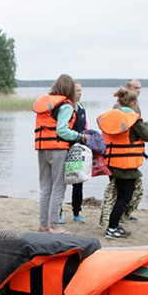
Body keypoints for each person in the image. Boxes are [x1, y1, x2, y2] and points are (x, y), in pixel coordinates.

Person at [33, 74, 88, 233]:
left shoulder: (47, 104)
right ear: (69, 89)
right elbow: (62, 131)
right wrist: (80, 136)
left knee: (45, 188)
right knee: (58, 188)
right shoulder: (65, 106)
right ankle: (54, 226)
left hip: (42, 148)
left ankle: (44, 224)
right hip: (57, 149)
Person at [97, 87, 148, 239]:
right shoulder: (134, 119)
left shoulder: (110, 116)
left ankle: (114, 225)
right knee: (124, 197)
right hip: (126, 165)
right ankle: (112, 228)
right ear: (133, 103)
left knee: (117, 195)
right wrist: (145, 123)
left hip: (112, 162)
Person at [99, 79, 144, 226]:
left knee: (126, 192)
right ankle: (113, 222)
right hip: (121, 160)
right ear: (128, 89)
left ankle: (120, 216)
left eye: (139, 88)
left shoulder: (134, 108)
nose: (138, 90)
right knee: (120, 192)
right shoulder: (120, 109)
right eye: (135, 88)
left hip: (121, 158)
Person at [59, 81, 88, 224]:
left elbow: (85, 126)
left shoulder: (81, 108)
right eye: (77, 90)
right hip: (65, 147)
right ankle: (58, 213)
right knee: (61, 181)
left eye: (81, 90)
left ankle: (77, 212)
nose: (80, 93)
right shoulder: (66, 108)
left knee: (78, 181)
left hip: (79, 147)